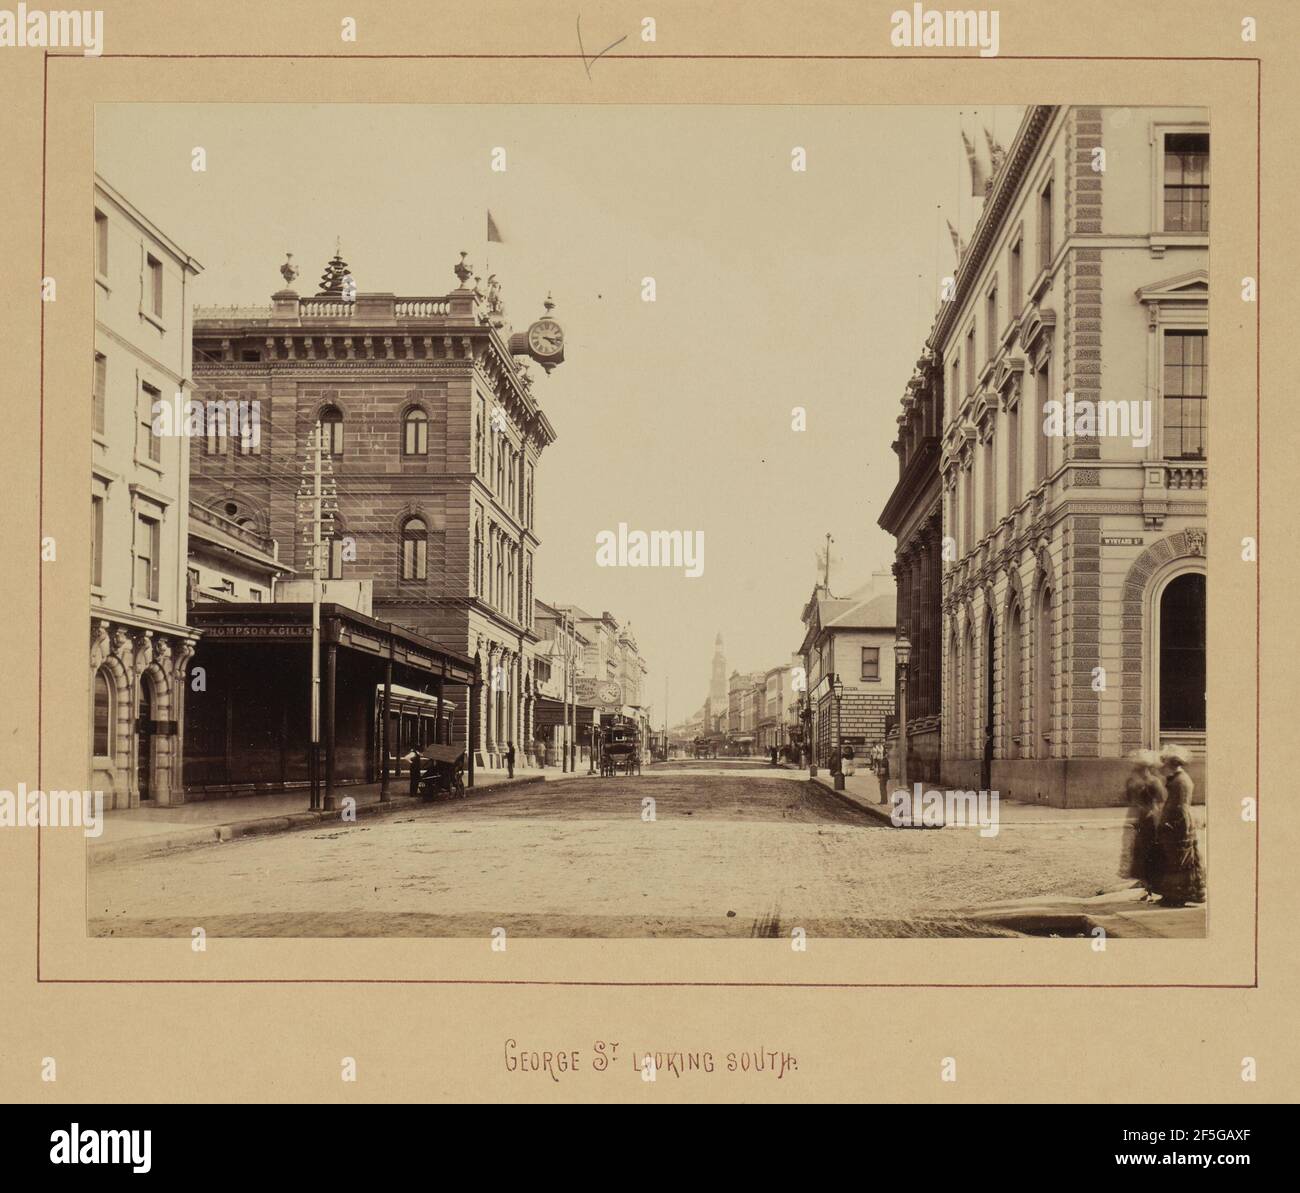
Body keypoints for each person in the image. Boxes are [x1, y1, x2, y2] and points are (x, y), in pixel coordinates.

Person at [1151, 745, 1205, 907]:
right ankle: (1171, 894)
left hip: (1178, 822)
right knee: (1172, 857)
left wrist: (1171, 823)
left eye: (1164, 761)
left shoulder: (1180, 780)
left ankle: (1178, 896)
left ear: (1171, 763)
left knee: (1179, 858)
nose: (1161, 765)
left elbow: (1180, 806)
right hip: (1175, 820)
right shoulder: (1177, 778)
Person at [1118, 749, 1165, 898]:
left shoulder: (1151, 782)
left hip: (1148, 819)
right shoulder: (1143, 781)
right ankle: (1147, 887)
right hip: (1140, 818)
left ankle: (1150, 888)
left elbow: (1161, 801)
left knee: (1147, 852)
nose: (1138, 769)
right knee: (1141, 853)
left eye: (1141, 767)